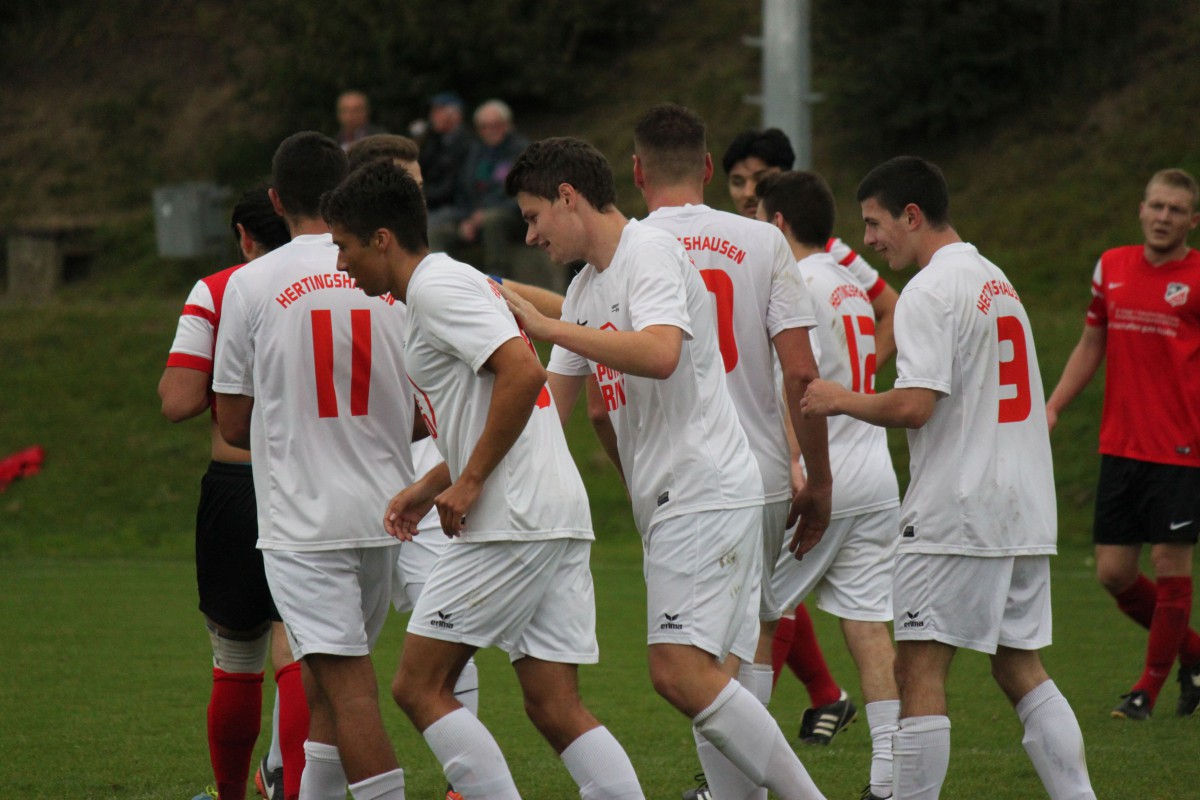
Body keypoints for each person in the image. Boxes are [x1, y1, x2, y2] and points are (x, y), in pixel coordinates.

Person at [502, 136, 830, 800]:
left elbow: (659, 354)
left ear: (569, 198)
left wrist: (549, 325)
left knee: (677, 671)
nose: (531, 235)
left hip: (706, 488)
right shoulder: (589, 284)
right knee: (716, 683)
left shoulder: (648, 249)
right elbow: (550, 410)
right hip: (680, 499)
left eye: (534, 216)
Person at [320, 158, 645, 800]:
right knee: (554, 704)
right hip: (549, 512)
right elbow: (496, 403)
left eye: (344, 246)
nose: (340, 263)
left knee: (418, 686)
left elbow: (522, 373)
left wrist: (467, 483)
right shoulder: (450, 285)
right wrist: (427, 485)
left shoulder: (439, 289)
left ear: (381, 239)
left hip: (513, 520)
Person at [801, 156, 1096, 800]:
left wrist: (838, 397)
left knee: (917, 667)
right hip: (1022, 507)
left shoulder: (930, 291)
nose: (870, 241)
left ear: (912, 215)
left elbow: (914, 404)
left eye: (876, 224)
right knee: (1019, 667)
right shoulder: (997, 280)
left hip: (958, 510)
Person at [628, 104, 835, 800]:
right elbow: (801, 373)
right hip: (766, 471)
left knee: (697, 656)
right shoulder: (762, 241)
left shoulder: (630, 246)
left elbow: (603, 397)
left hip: (685, 473)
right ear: (711, 169)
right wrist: (819, 477)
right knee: (743, 641)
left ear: (636, 171)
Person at [213, 132, 414, 800]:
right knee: (327, 696)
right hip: (384, 511)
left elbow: (233, 423)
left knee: (347, 688)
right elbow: (421, 410)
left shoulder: (250, 283)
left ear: (276, 200)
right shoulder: (386, 271)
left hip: (306, 522)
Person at [158, 186, 307, 800]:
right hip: (307, 481)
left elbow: (179, 402)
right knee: (299, 648)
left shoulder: (218, 289)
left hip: (236, 485)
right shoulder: (339, 280)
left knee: (236, 657)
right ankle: (296, 791)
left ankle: (230, 796)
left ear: (245, 236)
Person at [757, 171, 902, 800]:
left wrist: (796, 463)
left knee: (757, 618)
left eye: (763, 219)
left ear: (780, 223)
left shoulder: (794, 282)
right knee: (869, 627)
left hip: (827, 470)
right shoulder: (847, 282)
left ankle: (739, 781)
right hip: (874, 472)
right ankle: (892, 781)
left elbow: (800, 381)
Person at [1045, 167, 1200, 720]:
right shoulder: (1111, 265)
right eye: (1156, 206)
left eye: (1176, 210)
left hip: (1182, 450)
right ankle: (1196, 656)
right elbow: (1092, 341)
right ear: (1141, 208)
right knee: (1113, 573)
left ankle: (1147, 689)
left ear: (1192, 220)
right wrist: (1055, 404)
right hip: (1122, 446)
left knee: (1171, 564)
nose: (1163, 218)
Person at [722, 128, 900, 363]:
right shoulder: (723, 249)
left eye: (760, 179)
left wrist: (853, 379)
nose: (748, 192)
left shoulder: (827, 250)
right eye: (737, 182)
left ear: (786, 176)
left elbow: (894, 310)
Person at [428, 99, 530, 275]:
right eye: (484, 126)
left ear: (507, 125)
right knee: (436, 227)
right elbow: (463, 190)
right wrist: (468, 219)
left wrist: (481, 215)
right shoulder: (474, 151)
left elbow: (517, 193)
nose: (490, 131)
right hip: (471, 213)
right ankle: (440, 277)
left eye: (495, 125)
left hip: (509, 214)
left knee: (492, 220)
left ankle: (497, 278)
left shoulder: (520, 151)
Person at [419, 92, 474, 225]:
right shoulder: (434, 140)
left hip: (455, 206)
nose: (432, 116)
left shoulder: (466, 144)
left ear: (455, 115)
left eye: (438, 111)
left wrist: (420, 197)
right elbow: (422, 170)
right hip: (434, 203)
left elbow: (451, 186)